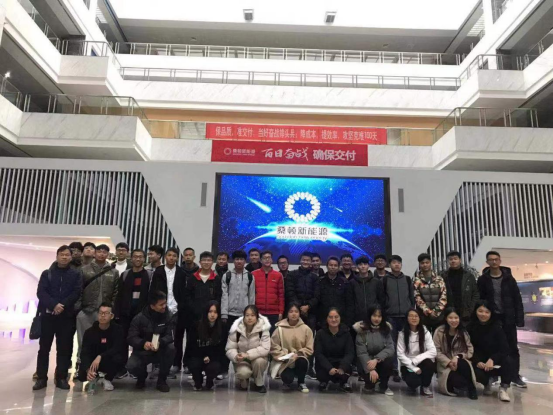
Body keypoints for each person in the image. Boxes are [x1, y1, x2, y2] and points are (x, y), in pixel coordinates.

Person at [33, 245, 82, 391]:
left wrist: (62, 305)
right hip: (48, 316)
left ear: (71, 257)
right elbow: (41, 292)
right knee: (44, 348)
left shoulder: (75, 274)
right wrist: (54, 305)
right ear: (57, 256)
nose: (64, 257)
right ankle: (41, 378)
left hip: (66, 316)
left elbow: (76, 292)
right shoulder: (47, 273)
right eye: (62, 254)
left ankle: (61, 377)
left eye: (67, 255)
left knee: (64, 349)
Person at [478, 250, 525, 388]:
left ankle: (515, 376)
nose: (494, 262)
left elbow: (517, 299)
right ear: (487, 262)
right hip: (492, 318)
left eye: (496, 259)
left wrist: (519, 319)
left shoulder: (509, 279)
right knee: (492, 346)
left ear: (500, 261)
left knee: (512, 347)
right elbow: (481, 300)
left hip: (508, 318)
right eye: (491, 259)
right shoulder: (483, 280)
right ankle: (492, 374)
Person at [77, 244, 120, 366]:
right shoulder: (84, 269)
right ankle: (82, 365)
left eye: (104, 252)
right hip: (86, 310)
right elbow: (78, 290)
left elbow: (116, 292)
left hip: (105, 313)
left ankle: (101, 367)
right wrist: (79, 308)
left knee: (103, 341)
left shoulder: (113, 272)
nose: (101, 254)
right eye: (99, 251)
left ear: (108, 254)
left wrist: (111, 309)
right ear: (95, 253)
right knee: (83, 340)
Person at [126, 291, 175, 393]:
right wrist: (143, 343)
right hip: (143, 351)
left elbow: (170, 336)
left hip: (160, 350)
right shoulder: (139, 318)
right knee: (131, 365)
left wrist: (160, 342)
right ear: (152, 306)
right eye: (161, 304)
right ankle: (141, 377)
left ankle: (162, 381)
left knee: (171, 349)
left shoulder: (169, 316)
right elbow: (131, 337)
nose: (164, 306)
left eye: (165, 303)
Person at [114, 248, 152, 379]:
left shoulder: (149, 275)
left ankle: (137, 369)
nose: (138, 259)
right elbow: (119, 295)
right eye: (135, 256)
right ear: (131, 258)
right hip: (125, 314)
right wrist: (117, 313)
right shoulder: (125, 275)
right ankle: (122, 368)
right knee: (122, 341)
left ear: (144, 259)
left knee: (139, 342)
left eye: (140, 256)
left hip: (142, 315)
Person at [150, 248, 187, 377]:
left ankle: (176, 364)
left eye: (174, 256)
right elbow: (153, 290)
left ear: (177, 258)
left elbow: (183, 292)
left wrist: (181, 306)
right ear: (165, 257)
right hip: (161, 309)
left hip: (177, 309)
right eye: (169, 255)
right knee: (158, 336)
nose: (171, 258)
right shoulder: (158, 271)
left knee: (177, 338)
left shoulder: (181, 272)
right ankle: (157, 365)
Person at [467, 301, 512, 402]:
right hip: (479, 361)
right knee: (472, 369)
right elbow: (468, 348)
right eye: (480, 311)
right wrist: (477, 361)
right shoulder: (470, 327)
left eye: (487, 312)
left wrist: (493, 359)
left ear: (491, 313)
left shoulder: (497, 327)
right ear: (475, 311)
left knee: (509, 361)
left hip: (494, 360)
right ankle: (486, 383)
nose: (483, 314)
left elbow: (505, 348)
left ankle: (503, 388)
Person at [77, 303, 124, 391]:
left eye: (106, 313)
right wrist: (88, 369)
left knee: (119, 358)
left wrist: (101, 356)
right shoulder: (89, 332)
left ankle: (107, 379)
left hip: (108, 360)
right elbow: (85, 352)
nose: (103, 315)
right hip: (94, 362)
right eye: (100, 313)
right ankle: (94, 376)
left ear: (112, 316)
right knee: (81, 375)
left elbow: (117, 348)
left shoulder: (118, 330)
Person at [382, 254, 415, 381]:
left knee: (406, 343)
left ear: (401, 265)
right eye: (394, 262)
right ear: (390, 265)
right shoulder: (385, 280)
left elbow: (411, 297)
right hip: (391, 317)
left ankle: (406, 369)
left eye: (398, 263)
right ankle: (395, 369)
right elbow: (382, 299)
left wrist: (411, 312)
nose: (396, 265)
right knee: (392, 344)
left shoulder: (407, 279)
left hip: (405, 317)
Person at [433, 308, 477, 399]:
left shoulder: (463, 332)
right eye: (450, 318)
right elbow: (436, 351)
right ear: (446, 318)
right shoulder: (439, 331)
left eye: (456, 318)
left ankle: (472, 388)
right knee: (459, 382)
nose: (453, 320)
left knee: (462, 362)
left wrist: (458, 357)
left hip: (461, 363)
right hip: (445, 365)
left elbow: (470, 350)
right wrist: (448, 362)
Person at [270, 302, 314, 393]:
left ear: (299, 313)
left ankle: (301, 382)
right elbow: (274, 346)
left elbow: (309, 348)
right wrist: (286, 355)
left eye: (296, 311)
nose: (294, 314)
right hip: (285, 361)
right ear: (287, 314)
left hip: (299, 358)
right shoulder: (279, 329)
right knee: (287, 378)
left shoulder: (306, 329)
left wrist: (298, 354)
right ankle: (286, 381)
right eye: (291, 311)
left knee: (302, 362)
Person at [225, 305, 271, 393]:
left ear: (257, 317)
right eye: (247, 315)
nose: (250, 318)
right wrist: (236, 356)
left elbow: (265, 348)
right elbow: (230, 348)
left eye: (252, 315)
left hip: (257, 359)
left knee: (259, 361)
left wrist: (248, 354)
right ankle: (243, 380)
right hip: (242, 360)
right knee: (243, 374)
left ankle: (258, 381)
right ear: (244, 316)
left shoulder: (263, 329)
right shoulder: (236, 329)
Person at [353, 306, 395, 396]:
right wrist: (371, 369)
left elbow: (390, 348)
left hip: (379, 361)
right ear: (369, 316)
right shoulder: (362, 331)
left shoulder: (386, 330)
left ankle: (383, 385)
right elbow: (362, 353)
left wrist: (376, 359)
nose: (376, 319)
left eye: (379, 316)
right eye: (374, 316)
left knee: (389, 360)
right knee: (370, 384)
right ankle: (369, 383)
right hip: (367, 362)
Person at [396, 309, 436, 397]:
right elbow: (400, 354)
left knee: (429, 364)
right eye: (411, 316)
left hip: (421, 361)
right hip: (408, 364)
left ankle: (425, 386)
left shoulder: (425, 332)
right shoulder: (402, 334)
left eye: (416, 316)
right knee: (413, 381)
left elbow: (433, 351)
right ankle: (412, 385)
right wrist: (413, 367)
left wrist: (417, 359)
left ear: (419, 318)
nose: (414, 318)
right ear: (407, 318)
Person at [315, 308, 354, 392]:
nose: (333, 320)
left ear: (340, 318)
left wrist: (342, 367)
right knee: (321, 371)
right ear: (326, 319)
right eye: (330, 317)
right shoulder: (320, 333)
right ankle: (323, 382)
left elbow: (350, 353)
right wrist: (329, 368)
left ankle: (343, 383)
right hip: (326, 365)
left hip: (340, 364)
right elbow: (318, 353)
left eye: (336, 317)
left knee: (346, 371)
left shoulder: (346, 333)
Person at [189, 301, 226, 391]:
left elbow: (221, 350)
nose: (212, 315)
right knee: (194, 364)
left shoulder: (222, 327)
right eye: (210, 312)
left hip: (213, 359)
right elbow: (192, 347)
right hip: (198, 356)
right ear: (206, 312)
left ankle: (210, 380)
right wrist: (203, 356)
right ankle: (198, 380)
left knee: (214, 367)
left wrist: (210, 357)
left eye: (215, 312)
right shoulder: (196, 326)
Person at [441, 251, 479, 324]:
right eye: (451, 259)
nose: (453, 261)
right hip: (449, 311)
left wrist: (471, 309)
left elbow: (475, 294)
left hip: (465, 312)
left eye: (455, 259)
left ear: (460, 260)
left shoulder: (469, 276)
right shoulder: (443, 276)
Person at [413, 253, 447, 334]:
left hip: (439, 316)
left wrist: (436, 311)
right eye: (422, 263)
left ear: (430, 263)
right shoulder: (417, 280)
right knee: (424, 338)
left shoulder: (439, 279)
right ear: (419, 264)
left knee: (439, 338)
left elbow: (444, 296)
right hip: (424, 316)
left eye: (427, 262)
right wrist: (428, 311)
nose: (425, 265)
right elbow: (417, 297)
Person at [313, 256, 351, 327]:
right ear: (327, 266)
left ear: (339, 267)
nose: (333, 267)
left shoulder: (344, 282)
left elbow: (349, 303)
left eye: (335, 265)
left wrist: (347, 321)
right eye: (331, 265)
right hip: (323, 320)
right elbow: (317, 300)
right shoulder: (320, 281)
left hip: (340, 319)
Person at [252, 251, 284, 332]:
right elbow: (251, 294)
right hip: (258, 312)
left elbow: (281, 295)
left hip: (274, 313)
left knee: (272, 336)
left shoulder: (278, 275)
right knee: (258, 336)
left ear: (272, 260)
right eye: (264, 258)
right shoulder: (254, 274)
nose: (267, 260)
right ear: (261, 260)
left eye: (269, 257)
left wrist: (281, 312)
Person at [349, 256, 385, 325]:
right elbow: (350, 302)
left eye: (365, 264)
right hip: (357, 319)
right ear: (357, 267)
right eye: (360, 264)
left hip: (374, 317)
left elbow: (381, 300)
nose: (363, 266)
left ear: (368, 266)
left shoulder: (376, 282)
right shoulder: (352, 283)